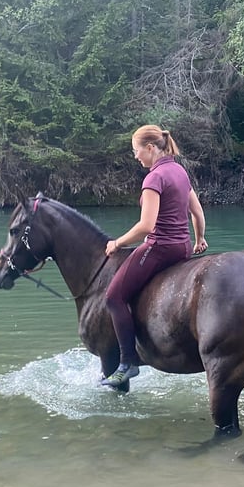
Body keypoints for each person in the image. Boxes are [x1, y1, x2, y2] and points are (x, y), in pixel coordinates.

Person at [100, 125, 208, 387]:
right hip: (182, 247)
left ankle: (127, 364)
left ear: (150, 148)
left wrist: (117, 242)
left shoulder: (154, 178)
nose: (136, 156)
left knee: (114, 297)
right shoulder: (180, 171)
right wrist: (200, 238)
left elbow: (146, 226)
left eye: (136, 151)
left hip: (159, 248)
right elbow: (197, 212)